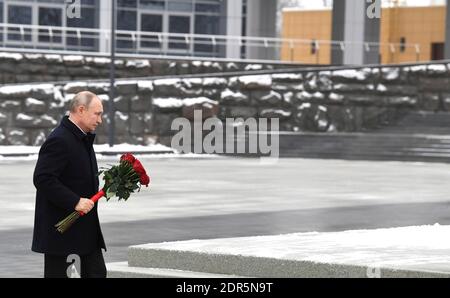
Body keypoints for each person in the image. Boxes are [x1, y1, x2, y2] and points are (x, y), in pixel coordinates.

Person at [32, 91, 107, 278]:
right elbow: (43, 178)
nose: (100, 120)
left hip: (84, 232)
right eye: (97, 113)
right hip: (63, 237)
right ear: (81, 110)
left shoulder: (81, 137)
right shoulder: (60, 139)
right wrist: (74, 201)